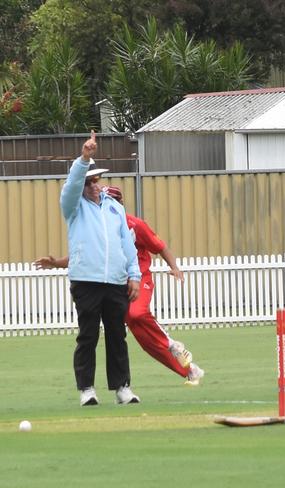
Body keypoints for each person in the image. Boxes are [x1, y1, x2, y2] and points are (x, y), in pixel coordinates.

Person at [36, 186, 204, 386]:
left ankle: (172, 344)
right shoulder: (99, 226)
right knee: (149, 344)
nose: (104, 204)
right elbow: (81, 254)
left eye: (109, 200)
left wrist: (175, 267)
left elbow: (160, 247)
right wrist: (55, 263)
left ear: (120, 203)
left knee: (137, 314)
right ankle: (189, 371)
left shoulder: (135, 225)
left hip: (140, 279)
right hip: (116, 286)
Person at [59, 131, 141, 406]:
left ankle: (122, 387)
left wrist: (134, 276)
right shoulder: (73, 206)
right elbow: (70, 185)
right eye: (89, 182)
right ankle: (86, 389)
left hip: (115, 281)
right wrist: (84, 158)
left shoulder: (114, 208)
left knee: (117, 334)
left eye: (97, 180)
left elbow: (127, 246)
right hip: (86, 280)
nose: (94, 186)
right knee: (88, 335)